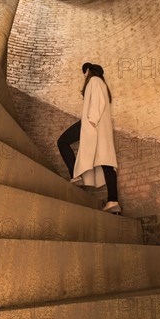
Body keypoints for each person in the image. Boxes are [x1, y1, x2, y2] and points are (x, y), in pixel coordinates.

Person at [57, 62, 121, 213]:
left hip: (92, 124)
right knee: (106, 162)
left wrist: (91, 120)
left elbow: (98, 102)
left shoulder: (94, 81)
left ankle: (75, 175)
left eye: (84, 73)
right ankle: (113, 202)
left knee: (62, 141)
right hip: (97, 127)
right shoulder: (100, 83)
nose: (84, 76)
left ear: (88, 71)